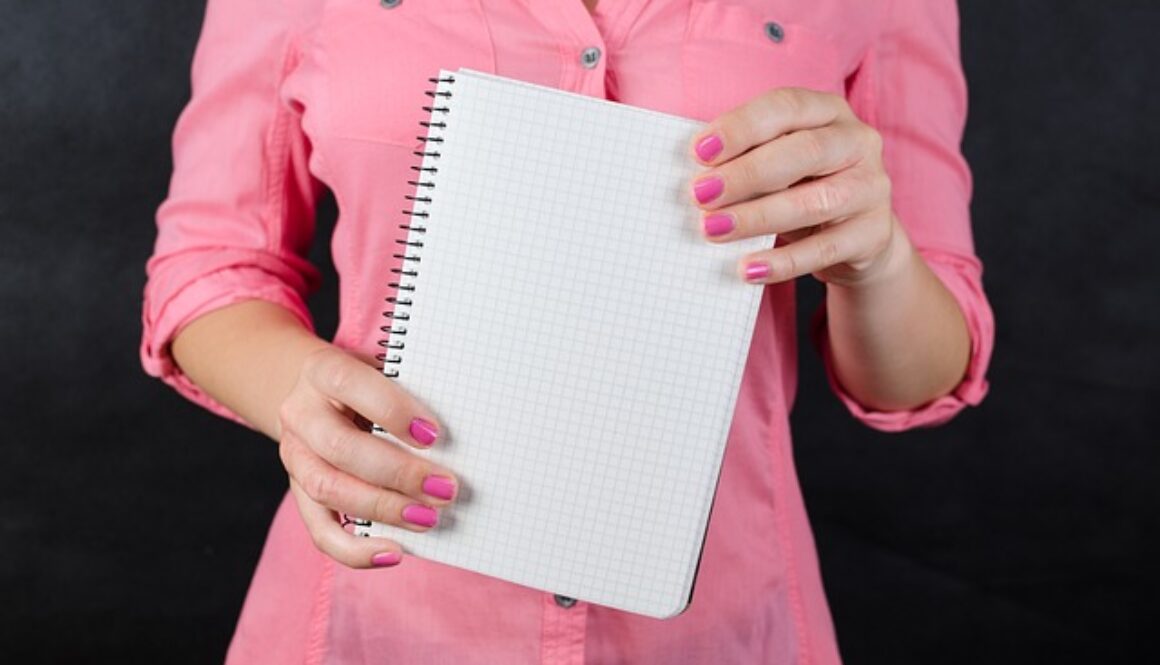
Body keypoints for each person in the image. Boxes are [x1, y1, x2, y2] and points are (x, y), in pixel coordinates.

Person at [140, 0, 993, 662]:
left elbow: (919, 372)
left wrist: (876, 259)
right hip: (378, 613)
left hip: (720, 626)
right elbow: (212, 262)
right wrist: (301, 398)